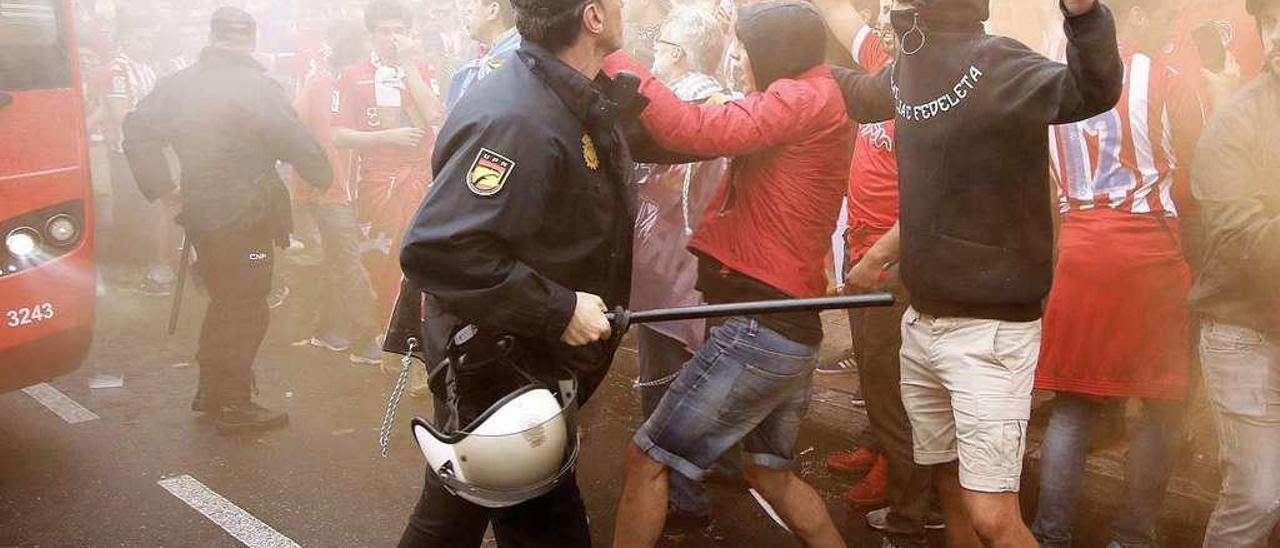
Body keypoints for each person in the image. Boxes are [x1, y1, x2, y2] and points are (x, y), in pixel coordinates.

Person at [831, 0, 1123, 546]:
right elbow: (866, 98)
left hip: (990, 333)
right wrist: (797, 58)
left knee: (993, 517)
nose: (890, 3)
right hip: (923, 321)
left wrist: (1083, 15)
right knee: (950, 485)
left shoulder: (1000, 61)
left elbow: (1091, 91)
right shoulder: (911, 66)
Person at [604, 2, 854, 546]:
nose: (736, 56)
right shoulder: (812, 92)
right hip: (783, 326)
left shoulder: (801, 97)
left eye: (744, 46)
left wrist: (609, 51)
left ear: (774, 52)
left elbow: (691, 128)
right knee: (770, 474)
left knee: (647, 459)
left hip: (759, 326)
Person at [393, 0, 639, 543]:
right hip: (500, 365)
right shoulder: (518, 118)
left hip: (521, 361)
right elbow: (440, 249)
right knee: (542, 527)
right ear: (593, 17)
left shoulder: (564, 93)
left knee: (455, 508)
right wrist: (560, 308)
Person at [1029, 1, 1206, 546]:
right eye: (1157, 10)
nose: (1168, 19)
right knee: (1161, 406)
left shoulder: (1054, 73)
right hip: (1152, 258)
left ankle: (1050, 535)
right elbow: (1196, 181)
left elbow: (1043, 176)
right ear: (1128, 13)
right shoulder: (1168, 82)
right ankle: (1132, 536)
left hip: (1080, 253)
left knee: (1074, 404)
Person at [122, 7, 333, 434]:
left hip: (200, 213)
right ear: (250, 41)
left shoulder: (180, 84)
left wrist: (164, 189)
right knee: (246, 306)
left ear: (213, 37)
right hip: (246, 218)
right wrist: (321, 174)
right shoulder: (258, 88)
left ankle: (211, 391)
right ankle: (234, 403)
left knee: (224, 300)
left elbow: (137, 128)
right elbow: (293, 138)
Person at [629, 5, 731, 530]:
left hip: (669, 266)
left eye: (659, 42)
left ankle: (681, 495)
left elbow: (653, 180)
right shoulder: (729, 102)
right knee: (707, 370)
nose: (652, 51)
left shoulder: (673, 104)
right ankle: (716, 465)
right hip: (709, 262)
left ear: (677, 53)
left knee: (664, 379)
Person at [1188, 0, 1280, 544]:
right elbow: (1238, 236)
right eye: (1269, 23)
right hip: (1243, 332)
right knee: (1257, 494)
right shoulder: (1236, 120)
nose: (1275, 36)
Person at [332, 0, 443, 366]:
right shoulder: (352, 74)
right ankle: (390, 340)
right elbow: (339, 134)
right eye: (385, 30)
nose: (393, 37)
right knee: (382, 262)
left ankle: (420, 344)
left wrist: (410, 65)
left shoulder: (422, 68)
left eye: (399, 30)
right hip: (378, 181)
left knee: (422, 258)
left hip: (421, 178)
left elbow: (434, 116)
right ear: (371, 34)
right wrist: (386, 138)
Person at [292, 21, 381, 357]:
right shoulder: (322, 86)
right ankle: (364, 339)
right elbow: (311, 137)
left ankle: (327, 330)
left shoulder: (347, 86)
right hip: (329, 192)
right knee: (348, 262)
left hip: (344, 188)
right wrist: (321, 185)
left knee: (335, 259)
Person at [446, 0, 521, 111]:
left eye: (474, 2)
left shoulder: (512, 59)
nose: (468, 9)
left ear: (493, 10)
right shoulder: (522, 52)